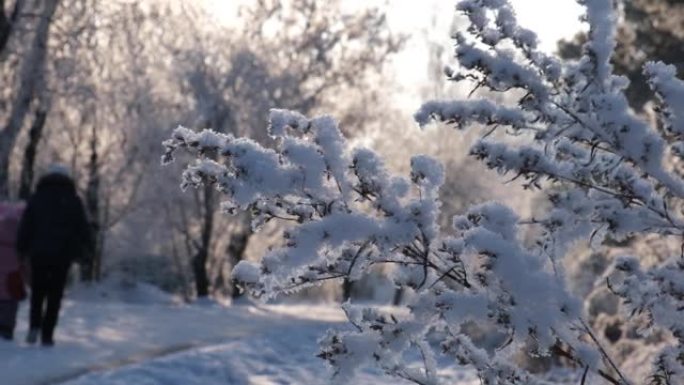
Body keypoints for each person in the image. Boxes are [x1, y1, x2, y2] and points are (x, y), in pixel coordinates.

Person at [16, 165, 92, 346]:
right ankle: (47, 334)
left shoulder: (36, 199)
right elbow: (83, 228)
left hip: (39, 253)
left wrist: (22, 248)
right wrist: (84, 252)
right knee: (55, 295)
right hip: (62, 255)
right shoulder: (74, 200)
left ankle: (34, 326)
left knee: (37, 292)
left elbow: (26, 225)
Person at [0, 202, 26, 340]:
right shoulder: (19, 246)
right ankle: (7, 328)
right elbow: (23, 266)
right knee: (10, 306)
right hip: (12, 282)